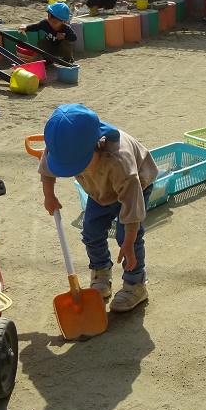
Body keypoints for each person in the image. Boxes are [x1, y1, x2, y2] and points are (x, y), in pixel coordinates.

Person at [39, 103, 158, 313]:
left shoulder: (119, 162)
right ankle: (101, 270)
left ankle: (135, 283)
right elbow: (48, 167)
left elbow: (132, 206)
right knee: (91, 230)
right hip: (99, 189)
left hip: (135, 185)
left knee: (126, 235)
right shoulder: (62, 144)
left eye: (78, 166)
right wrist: (49, 195)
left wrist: (129, 242)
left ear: (98, 145)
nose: (75, 171)